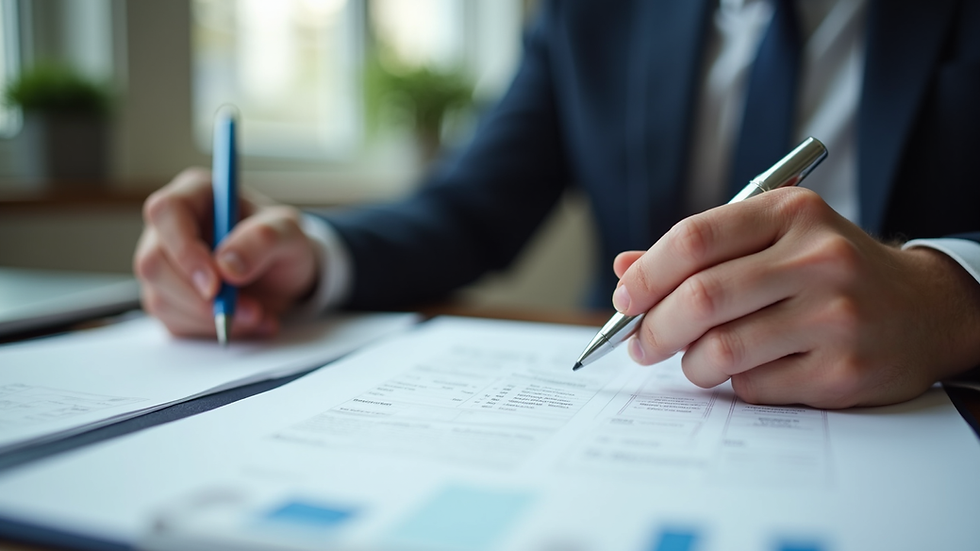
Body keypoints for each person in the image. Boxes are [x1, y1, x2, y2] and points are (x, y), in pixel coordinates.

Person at [134, 0, 980, 409]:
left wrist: (951, 298)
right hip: (645, 409)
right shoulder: (592, 14)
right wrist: (309, 254)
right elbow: (468, 209)